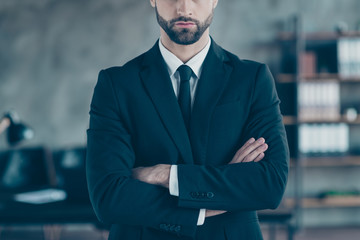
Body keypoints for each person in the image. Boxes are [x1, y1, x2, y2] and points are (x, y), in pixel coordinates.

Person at [86, 0, 289, 239]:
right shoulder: (116, 85)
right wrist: (218, 198)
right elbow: (109, 197)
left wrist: (167, 175)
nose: (184, 7)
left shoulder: (253, 79)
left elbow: (270, 184)